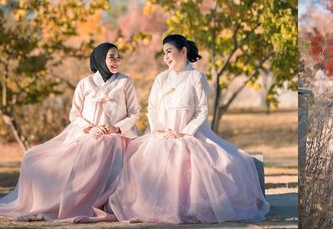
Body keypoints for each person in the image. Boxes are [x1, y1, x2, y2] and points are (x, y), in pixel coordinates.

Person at [109, 34, 269, 224]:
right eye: (163, 53)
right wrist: (158, 129)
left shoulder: (196, 77)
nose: (166, 57)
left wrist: (183, 132)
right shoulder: (161, 78)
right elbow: (151, 107)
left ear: (183, 51)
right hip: (163, 134)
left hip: (190, 133)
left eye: (169, 51)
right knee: (142, 162)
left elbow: (202, 111)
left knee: (219, 164)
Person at [0, 43, 140, 222]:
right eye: (111, 57)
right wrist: (91, 128)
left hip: (117, 136)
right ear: (100, 59)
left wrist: (115, 128)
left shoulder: (125, 82)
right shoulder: (86, 83)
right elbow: (74, 114)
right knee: (33, 157)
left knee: (102, 145)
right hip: (85, 133)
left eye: (118, 57)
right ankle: (55, 200)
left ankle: (92, 201)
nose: (116, 61)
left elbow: (135, 113)